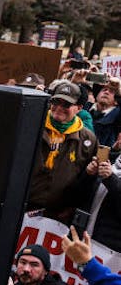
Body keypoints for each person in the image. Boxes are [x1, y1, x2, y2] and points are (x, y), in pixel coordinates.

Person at [28, 81, 97, 222]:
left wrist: (72, 207)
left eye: (66, 104)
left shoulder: (88, 139)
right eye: (55, 102)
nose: (59, 108)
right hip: (22, 205)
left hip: (57, 215)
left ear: (79, 108)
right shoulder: (32, 124)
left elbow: (86, 181)